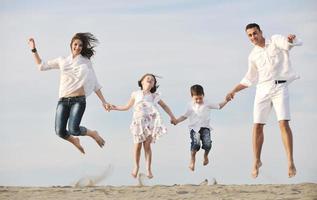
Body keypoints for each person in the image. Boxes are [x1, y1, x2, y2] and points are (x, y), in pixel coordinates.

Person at [226, 23, 302, 178]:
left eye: (255, 33)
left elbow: (288, 45)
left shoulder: (275, 40)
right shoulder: (252, 55)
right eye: (250, 35)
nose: (253, 37)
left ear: (261, 32)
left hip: (280, 88)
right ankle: (256, 160)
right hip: (262, 89)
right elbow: (249, 79)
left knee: (283, 123)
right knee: (257, 125)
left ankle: (290, 161)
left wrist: (290, 39)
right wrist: (233, 90)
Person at [28, 33, 110, 154]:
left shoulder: (85, 62)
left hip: (79, 100)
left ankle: (93, 133)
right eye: (75, 44)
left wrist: (104, 101)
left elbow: (95, 83)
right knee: (59, 132)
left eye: (80, 45)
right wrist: (33, 49)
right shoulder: (62, 60)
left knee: (73, 129)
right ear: (71, 45)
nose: (77, 47)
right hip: (63, 100)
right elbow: (41, 66)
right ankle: (75, 141)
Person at [110, 73, 177, 179]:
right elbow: (127, 107)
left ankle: (148, 169)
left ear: (154, 85)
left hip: (150, 123)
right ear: (142, 82)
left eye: (152, 80)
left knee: (147, 146)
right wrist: (114, 108)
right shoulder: (135, 94)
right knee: (137, 146)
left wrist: (172, 117)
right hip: (138, 123)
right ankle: (136, 166)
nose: (150, 80)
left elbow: (164, 106)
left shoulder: (154, 96)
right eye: (148, 78)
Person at [173, 84, 229, 171]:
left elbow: (219, 106)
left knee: (208, 144)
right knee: (195, 144)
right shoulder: (190, 105)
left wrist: (226, 100)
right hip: (194, 129)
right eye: (196, 99)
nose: (199, 100)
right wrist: (177, 121)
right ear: (192, 97)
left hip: (205, 128)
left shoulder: (207, 103)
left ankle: (206, 156)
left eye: (200, 98)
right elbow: (184, 116)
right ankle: (192, 160)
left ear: (203, 95)